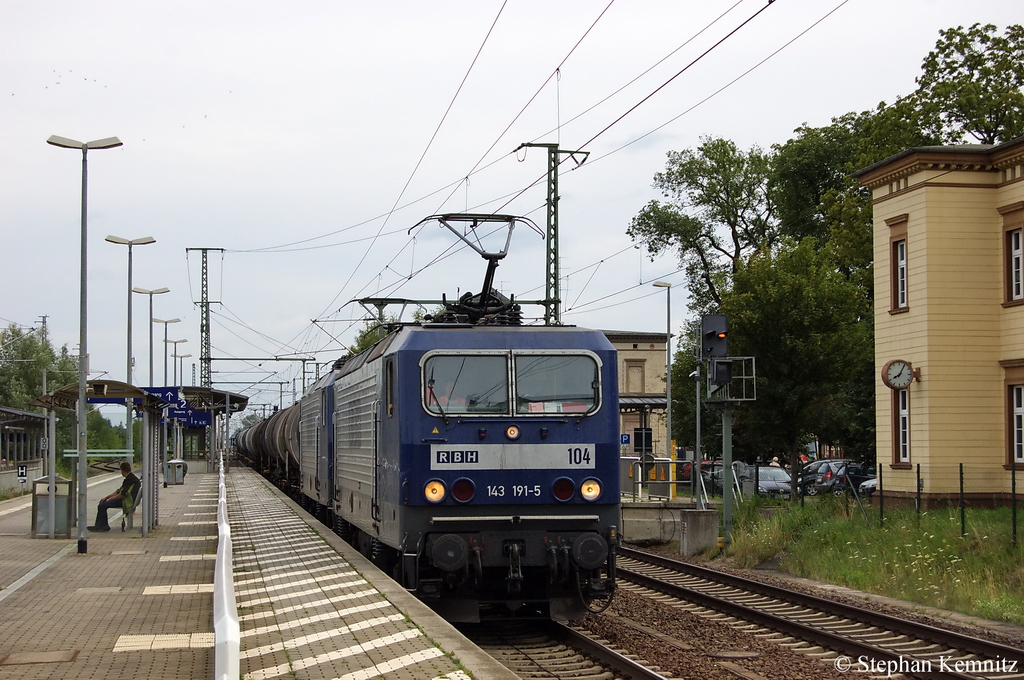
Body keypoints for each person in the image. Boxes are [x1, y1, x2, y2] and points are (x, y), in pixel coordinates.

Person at [88, 462, 141, 532]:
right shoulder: (130, 478)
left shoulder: (131, 480)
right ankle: (100, 525)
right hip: (126, 500)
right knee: (103, 503)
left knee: (102, 506)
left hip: (126, 502)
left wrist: (110, 499)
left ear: (122, 471)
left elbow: (123, 494)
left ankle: (102, 526)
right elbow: (118, 491)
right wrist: (106, 497)